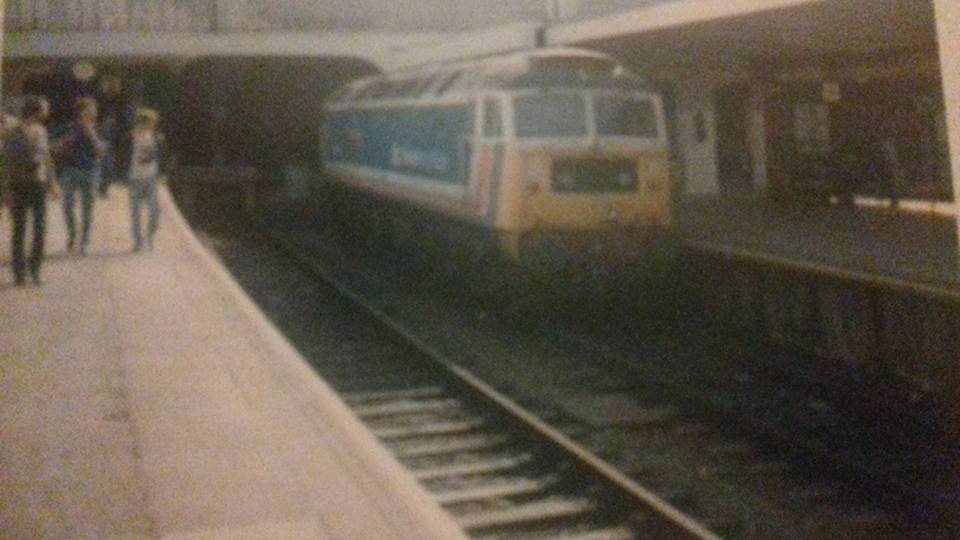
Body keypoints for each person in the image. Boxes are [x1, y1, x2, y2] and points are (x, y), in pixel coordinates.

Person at [3, 96, 54, 285]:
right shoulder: (12, 132)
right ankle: (19, 273)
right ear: (35, 110)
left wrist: (52, 182)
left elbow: (47, 157)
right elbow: (5, 161)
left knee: (40, 227)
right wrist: (5, 189)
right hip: (18, 184)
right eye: (44, 108)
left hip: (38, 184)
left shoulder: (41, 130)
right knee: (19, 229)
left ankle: (35, 269)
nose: (47, 111)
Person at [59, 97, 107, 255]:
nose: (93, 112)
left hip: (91, 171)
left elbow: (102, 152)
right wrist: (69, 141)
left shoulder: (99, 129)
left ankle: (84, 241)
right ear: (81, 112)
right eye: (89, 109)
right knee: (67, 206)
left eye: (94, 110)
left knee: (88, 208)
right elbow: (59, 148)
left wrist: (91, 134)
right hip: (71, 170)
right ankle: (73, 233)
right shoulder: (71, 127)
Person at [120, 108, 167, 252]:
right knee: (136, 212)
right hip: (135, 177)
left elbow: (161, 156)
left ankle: (149, 236)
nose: (151, 125)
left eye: (153, 123)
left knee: (155, 211)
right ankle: (138, 242)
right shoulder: (131, 137)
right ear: (141, 123)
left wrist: (163, 173)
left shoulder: (156, 137)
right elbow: (121, 153)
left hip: (151, 177)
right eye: (148, 123)